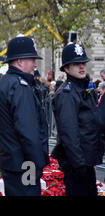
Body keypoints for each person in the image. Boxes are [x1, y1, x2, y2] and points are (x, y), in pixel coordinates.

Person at [0, 35, 49, 196]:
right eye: (32, 59)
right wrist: (38, 162)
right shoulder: (19, 86)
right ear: (20, 61)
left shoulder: (3, 85)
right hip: (25, 163)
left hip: (12, 161)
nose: (35, 64)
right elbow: (28, 132)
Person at [52, 42, 105, 196]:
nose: (82, 67)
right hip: (77, 163)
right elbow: (69, 132)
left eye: (83, 63)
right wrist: (79, 164)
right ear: (67, 68)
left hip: (85, 160)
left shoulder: (83, 88)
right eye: (76, 64)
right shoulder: (67, 93)